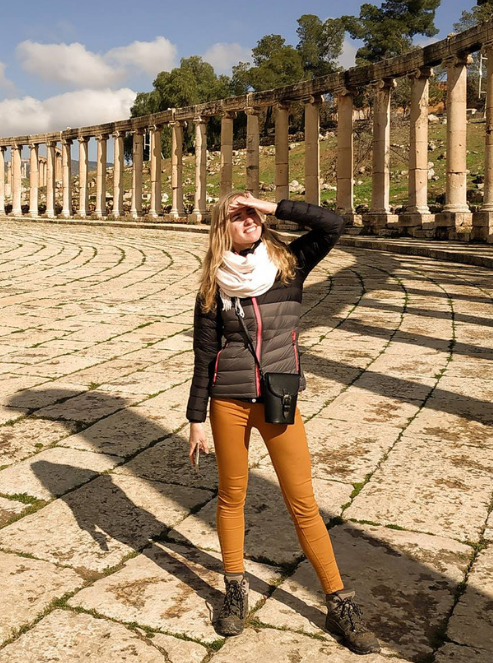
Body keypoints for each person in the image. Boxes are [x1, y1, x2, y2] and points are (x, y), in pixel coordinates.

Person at [186, 191, 380, 654]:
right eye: (236, 215)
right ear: (221, 228)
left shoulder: (288, 265)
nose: (247, 218)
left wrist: (271, 204)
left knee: (302, 501)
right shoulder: (213, 285)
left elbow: (333, 224)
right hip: (227, 401)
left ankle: (338, 601)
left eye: (251, 212)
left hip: (277, 398)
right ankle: (235, 590)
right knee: (232, 496)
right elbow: (203, 355)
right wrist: (196, 419)